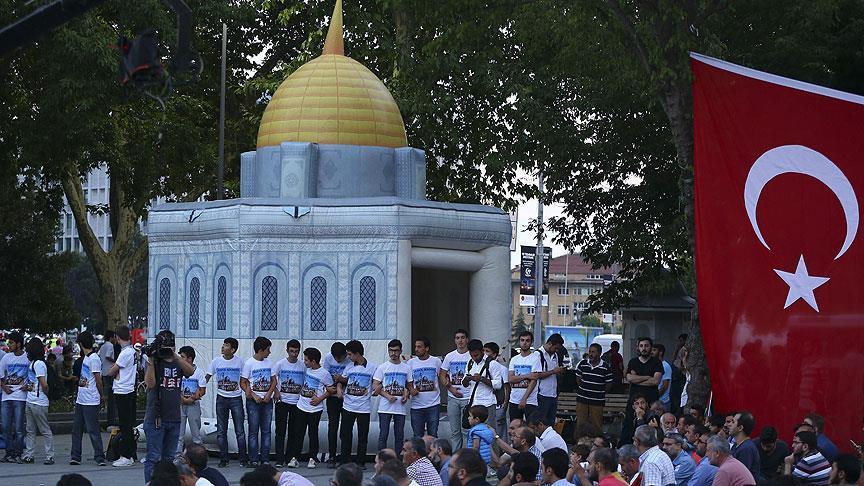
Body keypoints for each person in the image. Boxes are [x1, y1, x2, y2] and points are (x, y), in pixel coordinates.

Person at [143, 329, 194, 484]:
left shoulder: (178, 362)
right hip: (156, 418)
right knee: (153, 458)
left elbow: (190, 371)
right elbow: (150, 383)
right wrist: (152, 360)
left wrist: (175, 356)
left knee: (169, 459)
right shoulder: (155, 361)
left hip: (174, 418)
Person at [205, 337, 247, 468]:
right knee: (221, 430)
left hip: (236, 398)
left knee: (239, 430)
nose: (223, 347)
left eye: (226, 345)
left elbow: (244, 379)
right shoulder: (216, 361)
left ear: (233, 349)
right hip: (221, 398)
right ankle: (224, 458)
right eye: (223, 344)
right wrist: (199, 390)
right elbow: (207, 376)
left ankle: (243, 458)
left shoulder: (240, 362)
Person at [339, 339, 377, 468]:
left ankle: (361, 462)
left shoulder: (372, 367)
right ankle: (344, 461)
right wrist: (339, 388)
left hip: (363, 407)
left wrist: (375, 390)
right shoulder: (349, 366)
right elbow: (343, 380)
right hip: (348, 406)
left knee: (362, 436)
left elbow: (377, 383)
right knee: (345, 434)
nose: (348, 357)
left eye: (350, 354)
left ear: (357, 353)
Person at [70, 332, 105, 467]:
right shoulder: (86, 358)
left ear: (81, 344)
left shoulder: (94, 358)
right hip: (81, 398)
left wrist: (102, 396)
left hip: (90, 400)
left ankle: (99, 456)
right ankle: (75, 456)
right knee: (77, 429)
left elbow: (98, 380)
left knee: (93, 429)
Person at [241, 336, 277, 467]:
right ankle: (254, 459)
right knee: (253, 430)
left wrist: (269, 394)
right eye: (268, 349)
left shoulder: (269, 363)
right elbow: (243, 382)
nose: (269, 352)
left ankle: (265, 459)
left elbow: (274, 380)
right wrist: (253, 395)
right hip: (253, 402)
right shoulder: (249, 363)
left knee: (266, 430)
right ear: (261, 350)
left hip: (267, 401)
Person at [295, 347, 333, 469]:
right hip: (301, 406)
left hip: (315, 408)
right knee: (298, 432)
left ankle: (313, 458)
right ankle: (295, 457)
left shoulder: (324, 374)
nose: (304, 362)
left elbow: (330, 389)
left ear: (313, 361)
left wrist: (320, 398)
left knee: (313, 433)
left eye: (306, 360)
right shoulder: (307, 370)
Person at [621, 337, 663, 444]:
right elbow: (629, 378)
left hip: (651, 401)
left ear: (650, 347)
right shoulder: (633, 362)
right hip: (634, 400)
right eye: (641, 346)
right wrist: (648, 377)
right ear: (638, 348)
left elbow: (655, 381)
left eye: (646, 346)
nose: (644, 348)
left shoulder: (657, 362)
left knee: (651, 425)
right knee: (629, 426)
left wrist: (637, 379)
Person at [375, 339, 412, 456]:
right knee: (383, 435)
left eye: (396, 351)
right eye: (391, 351)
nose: (393, 353)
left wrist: (406, 395)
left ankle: (398, 461)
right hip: (385, 407)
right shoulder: (382, 367)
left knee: (399, 435)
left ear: (400, 351)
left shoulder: (406, 368)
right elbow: (375, 385)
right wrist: (387, 396)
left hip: (400, 407)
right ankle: (381, 459)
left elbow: (409, 385)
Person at [107, 325, 138, 467]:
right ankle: (131, 454)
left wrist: (110, 372)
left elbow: (112, 370)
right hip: (128, 389)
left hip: (123, 390)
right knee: (128, 424)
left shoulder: (125, 353)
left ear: (117, 338)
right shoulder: (132, 352)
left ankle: (126, 456)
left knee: (125, 425)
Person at [20, 336, 53, 465]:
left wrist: (45, 394)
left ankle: (49, 456)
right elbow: (36, 383)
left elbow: (43, 384)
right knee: (30, 430)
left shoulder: (39, 364)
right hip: (32, 400)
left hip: (38, 401)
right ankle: (30, 454)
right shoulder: (33, 363)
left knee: (43, 430)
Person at [274, 339, 305, 468]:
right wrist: (275, 391)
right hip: (282, 401)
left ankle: (290, 457)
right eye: (291, 351)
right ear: (287, 351)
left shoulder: (303, 365)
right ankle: (279, 459)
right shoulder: (280, 364)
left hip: (297, 402)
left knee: (294, 431)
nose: (294, 354)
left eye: (296, 352)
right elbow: (273, 378)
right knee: (280, 431)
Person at [440, 329, 471, 450]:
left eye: (463, 337)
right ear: (455, 340)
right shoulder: (450, 356)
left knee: (467, 430)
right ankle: (456, 456)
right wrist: (451, 389)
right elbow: (442, 375)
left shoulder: (471, 355)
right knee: (455, 431)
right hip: (453, 398)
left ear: (467, 339)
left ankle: (468, 455)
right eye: (457, 338)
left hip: (468, 397)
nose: (460, 340)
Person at [0, 330, 28, 463]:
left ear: (18, 344)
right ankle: (9, 452)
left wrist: (26, 385)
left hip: (20, 396)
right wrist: (4, 387)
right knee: (5, 426)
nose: (8, 345)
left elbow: (32, 375)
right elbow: (0, 375)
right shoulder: (6, 357)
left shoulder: (27, 358)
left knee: (18, 427)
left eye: (11, 342)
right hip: (7, 396)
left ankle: (18, 452)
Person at [462, 339, 502, 429]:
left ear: (482, 351)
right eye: (471, 355)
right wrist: (467, 379)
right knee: (474, 433)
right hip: (473, 404)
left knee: (488, 433)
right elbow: (464, 384)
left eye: (476, 355)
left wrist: (481, 379)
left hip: (487, 404)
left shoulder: (492, 364)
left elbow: (498, 384)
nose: (474, 358)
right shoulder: (470, 363)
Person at [574, 343, 614, 433]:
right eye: (590, 352)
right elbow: (578, 379)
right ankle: (579, 442)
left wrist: (598, 391)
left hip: (597, 401)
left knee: (597, 424)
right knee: (581, 423)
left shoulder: (605, 367)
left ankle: (597, 443)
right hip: (582, 400)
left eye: (593, 352)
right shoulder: (583, 364)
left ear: (599, 353)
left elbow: (608, 384)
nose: (591, 354)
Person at [323, 342, 350, 467]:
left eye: (341, 358)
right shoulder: (328, 358)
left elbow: (351, 377)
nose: (338, 360)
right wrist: (330, 388)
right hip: (332, 397)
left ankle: (345, 457)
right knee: (332, 426)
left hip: (347, 397)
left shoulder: (350, 359)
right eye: (336, 358)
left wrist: (340, 384)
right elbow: (325, 376)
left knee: (345, 428)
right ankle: (332, 456)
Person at [409, 337, 442, 439]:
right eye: (416, 347)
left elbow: (443, 377)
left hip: (433, 404)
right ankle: (419, 455)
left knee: (433, 435)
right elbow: (407, 382)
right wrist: (410, 390)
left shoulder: (436, 361)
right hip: (416, 406)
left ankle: (432, 455)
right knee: (417, 436)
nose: (416, 349)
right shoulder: (410, 363)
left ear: (426, 348)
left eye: (419, 347)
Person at [177, 346, 206, 461]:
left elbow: (202, 389)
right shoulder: (178, 371)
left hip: (193, 404)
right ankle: (177, 455)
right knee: (179, 433)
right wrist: (183, 399)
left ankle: (198, 457)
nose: (180, 359)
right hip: (180, 404)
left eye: (182, 357)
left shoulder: (198, 372)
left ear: (189, 358)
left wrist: (193, 398)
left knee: (196, 433)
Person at [508, 331, 541, 422]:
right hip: (514, 399)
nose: (524, 343)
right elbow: (511, 378)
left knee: (530, 429)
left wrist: (524, 399)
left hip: (530, 400)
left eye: (527, 340)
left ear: (531, 342)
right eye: (522, 340)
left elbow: (534, 380)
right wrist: (527, 375)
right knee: (515, 427)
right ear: (519, 341)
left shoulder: (535, 358)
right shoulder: (514, 359)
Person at [535, 333, 565, 427]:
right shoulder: (538, 355)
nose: (556, 351)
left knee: (550, 423)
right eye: (555, 348)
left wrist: (559, 372)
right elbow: (536, 375)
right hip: (542, 394)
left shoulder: (555, 355)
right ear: (550, 344)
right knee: (541, 423)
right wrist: (553, 371)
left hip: (553, 394)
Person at [483, 342, 509, 439]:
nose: (485, 354)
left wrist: (504, 406)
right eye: (483, 351)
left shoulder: (502, 368)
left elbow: (506, 388)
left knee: (499, 433)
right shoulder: (482, 367)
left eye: (487, 351)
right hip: (487, 405)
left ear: (494, 354)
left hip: (498, 406)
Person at [729, 411, 761, 481]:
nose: (729, 424)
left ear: (740, 428)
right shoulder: (736, 445)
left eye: (733, 422)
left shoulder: (746, 449)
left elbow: (740, 477)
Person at [99, 330, 118, 429]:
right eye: (115, 337)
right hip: (109, 371)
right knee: (111, 395)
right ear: (111, 337)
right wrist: (115, 362)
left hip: (103, 371)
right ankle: (111, 420)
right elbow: (107, 356)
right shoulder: (110, 345)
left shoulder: (102, 346)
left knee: (107, 394)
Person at [651, 344, 672, 411]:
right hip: (654, 401)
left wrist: (655, 397)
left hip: (662, 402)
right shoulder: (654, 365)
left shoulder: (665, 366)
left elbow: (665, 385)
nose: (651, 352)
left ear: (660, 352)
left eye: (654, 350)